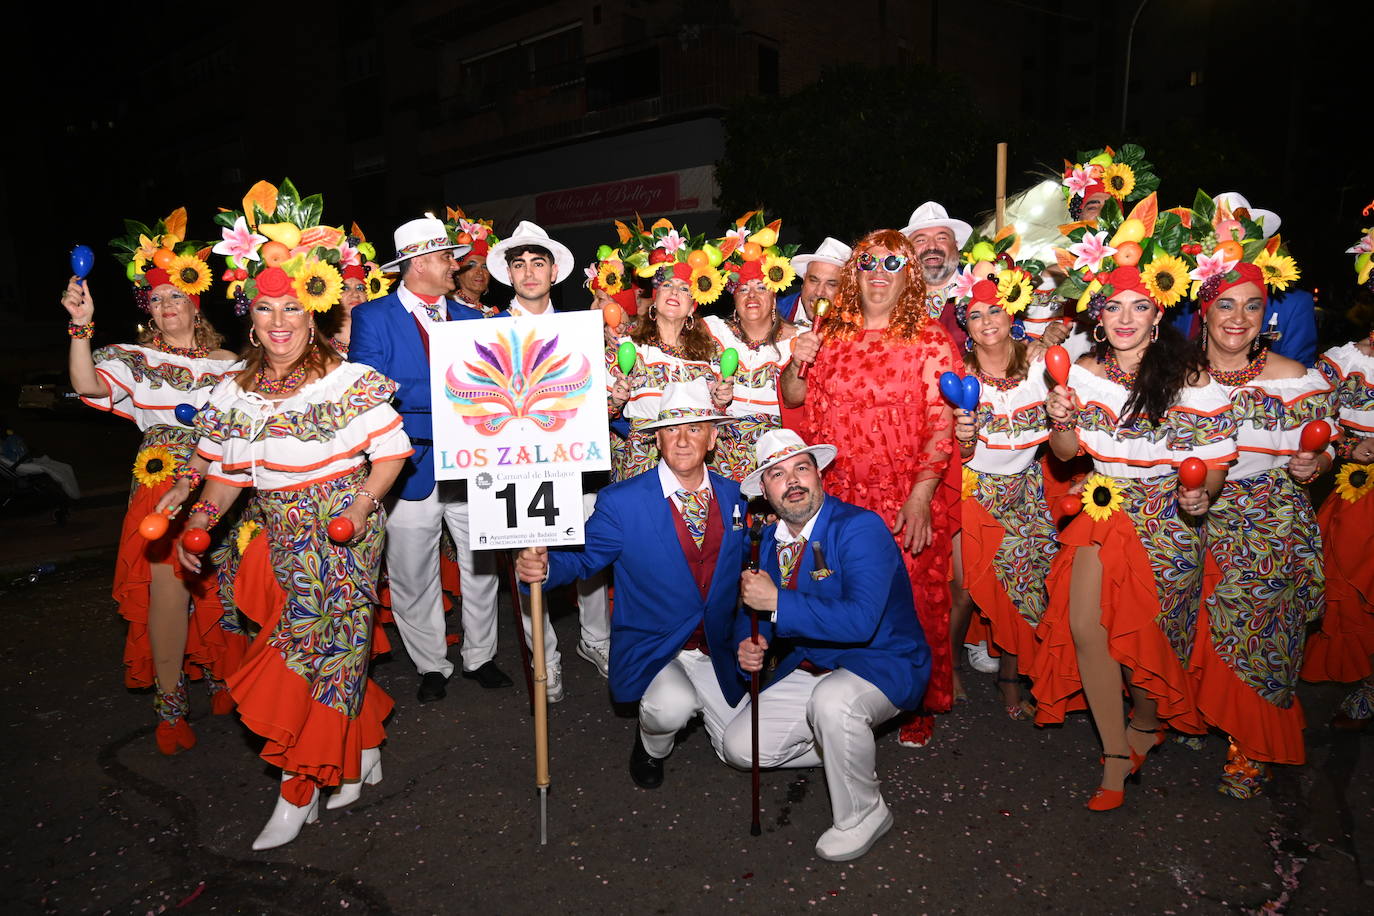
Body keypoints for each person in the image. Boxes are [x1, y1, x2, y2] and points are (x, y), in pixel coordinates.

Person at [175, 188, 411, 849]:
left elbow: (392, 455)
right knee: (317, 646)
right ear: (252, 316)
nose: (280, 321)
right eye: (267, 308)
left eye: (293, 308)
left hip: (345, 527)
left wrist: (361, 507)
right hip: (281, 534)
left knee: (315, 652)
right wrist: (200, 523)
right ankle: (360, 751)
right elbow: (224, 475)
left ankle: (296, 788)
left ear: (313, 313)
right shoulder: (232, 391)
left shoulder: (344, 381)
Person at [1036, 251, 1238, 811]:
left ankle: (1147, 724)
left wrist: (1202, 494)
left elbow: (1215, 460)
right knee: (1086, 626)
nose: (1126, 318)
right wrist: (1060, 418)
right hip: (1104, 507)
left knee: (1147, 641)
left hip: (1169, 519)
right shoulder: (1078, 374)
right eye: (1114, 307)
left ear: (1157, 315)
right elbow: (1067, 454)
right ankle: (1116, 754)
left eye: (1140, 306)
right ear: (1097, 317)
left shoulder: (1192, 378)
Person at [66, 211, 241, 754]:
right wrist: (80, 325)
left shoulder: (229, 363)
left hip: (223, 482)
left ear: (196, 301)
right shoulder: (134, 359)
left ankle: (219, 675)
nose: (167, 307)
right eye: (156, 299)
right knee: (168, 592)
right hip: (161, 485)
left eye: (176, 296)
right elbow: (86, 383)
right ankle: (171, 708)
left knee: (220, 586)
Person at [515, 380, 748, 788]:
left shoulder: (736, 497)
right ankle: (651, 746)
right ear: (658, 438)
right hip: (654, 643)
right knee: (672, 707)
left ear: (712, 438)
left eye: (694, 428)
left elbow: (749, 568)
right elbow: (585, 557)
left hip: (716, 645)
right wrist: (545, 567)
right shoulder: (622, 501)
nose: (682, 439)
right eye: (672, 429)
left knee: (743, 751)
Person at [782, 229, 961, 749]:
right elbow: (795, 398)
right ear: (853, 275)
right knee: (838, 590)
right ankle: (842, 690)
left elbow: (941, 422)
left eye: (890, 263)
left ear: (907, 275)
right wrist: (799, 358)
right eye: (867, 263)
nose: (878, 274)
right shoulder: (829, 334)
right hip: (840, 494)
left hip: (903, 494)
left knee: (911, 600)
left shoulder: (929, 339)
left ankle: (916, 702)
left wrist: (923, 495)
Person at [725, 429, 929, 861]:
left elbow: (860, 621)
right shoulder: (767, 545)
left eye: (802, 468)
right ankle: (843, 751)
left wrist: (778, 601)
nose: (793, 480)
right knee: (740, 749)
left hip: (882, 661)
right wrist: (750, 644)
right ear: (765, 490)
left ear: (819, 475)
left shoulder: (859, 527)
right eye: (778, 474)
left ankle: (865, 813)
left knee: (834, 703)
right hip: (813, 665)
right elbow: (752, 614)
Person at [1189, 259, 1333, 795]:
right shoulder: (1179, 375)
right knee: (1193, 623)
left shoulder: (1293, 377)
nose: (1239, 317)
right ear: (1205, 311)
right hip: (1193, 513)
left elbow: (1326, 449)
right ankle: (1204, 711)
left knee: (1259, 631)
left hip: (1270, 521)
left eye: (1253, 305)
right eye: (1226, 303)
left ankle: (1250, 745)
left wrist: (1312, 464)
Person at [349, 217, 504, 702]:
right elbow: (370, 387)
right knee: (413, 569)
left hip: (472, 462)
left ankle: (481, 656)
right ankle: (431, 664)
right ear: (417, 264)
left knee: (482, 566)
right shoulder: (374, 317)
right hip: (408, 464)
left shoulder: (472, 318)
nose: (454, 266)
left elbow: (494, 385)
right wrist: (450, 389)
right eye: (445, 258)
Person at [485, 220, 612, 686]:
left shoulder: (582, 329)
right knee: (528, 561)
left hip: (576, 461)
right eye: (519, 265)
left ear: (554, 271)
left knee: (589, 556)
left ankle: (596, 639)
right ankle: (544, 655)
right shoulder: (486, 331)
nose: (529, 273)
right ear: (509, 274)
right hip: (514, 469)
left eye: (538, 263)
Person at [947, 267, 1056, 720]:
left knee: (1025, 590)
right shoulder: (955, 374)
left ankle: (1010, 677)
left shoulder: (1042, 367)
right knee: (965, 592)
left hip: (1025, 492)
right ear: (966, 327)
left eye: (995, 309)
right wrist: (964, 436)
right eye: (975, 314)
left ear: (1011, 314)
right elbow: (950, 449)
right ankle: (947, 666)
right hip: (970, 492)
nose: (987, 319)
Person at [1301, 225, 1374, 729]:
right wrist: (1348, 448)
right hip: (1349, 491)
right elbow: (1312, 430)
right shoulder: (1339, 363)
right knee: (1344, 581)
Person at [606, 221, 732, 482]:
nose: (674, 291)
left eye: (684, 288)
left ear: (691, 307)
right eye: (666, 285)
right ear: (655, 298)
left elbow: (716, 416)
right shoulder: (626, 345)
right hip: (643, 464)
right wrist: (616, 402)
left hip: (696, 464)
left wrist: (721, 399)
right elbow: (594, 413)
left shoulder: (712, 352)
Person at [1167, 192, 1318, 367]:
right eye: (1216, 239)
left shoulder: (1295, 304)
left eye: (1237, 237)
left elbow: (1302, 376)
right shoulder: (1181, 304)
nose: (1226, 247)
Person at [705, 217, 799, 480]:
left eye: (761, 287)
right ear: (733, 298)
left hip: (777, 468)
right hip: (718, 469)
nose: (752, 296)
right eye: (743, 288)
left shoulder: (799, 341)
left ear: (774, 296)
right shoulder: (712, 333)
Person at [900, 201, 974, 348]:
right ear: (908, 251)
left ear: (956, 245)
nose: (932, 246)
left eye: (942, 238)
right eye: (921, 240)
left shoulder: (980, 287)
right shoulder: (894, 297)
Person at [777, 237, 851, 329]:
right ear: (804, 280)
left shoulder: (850, 327)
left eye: (831, 285)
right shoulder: (774, 312)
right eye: (814, 280)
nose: (819, 292)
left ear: (843, 291)